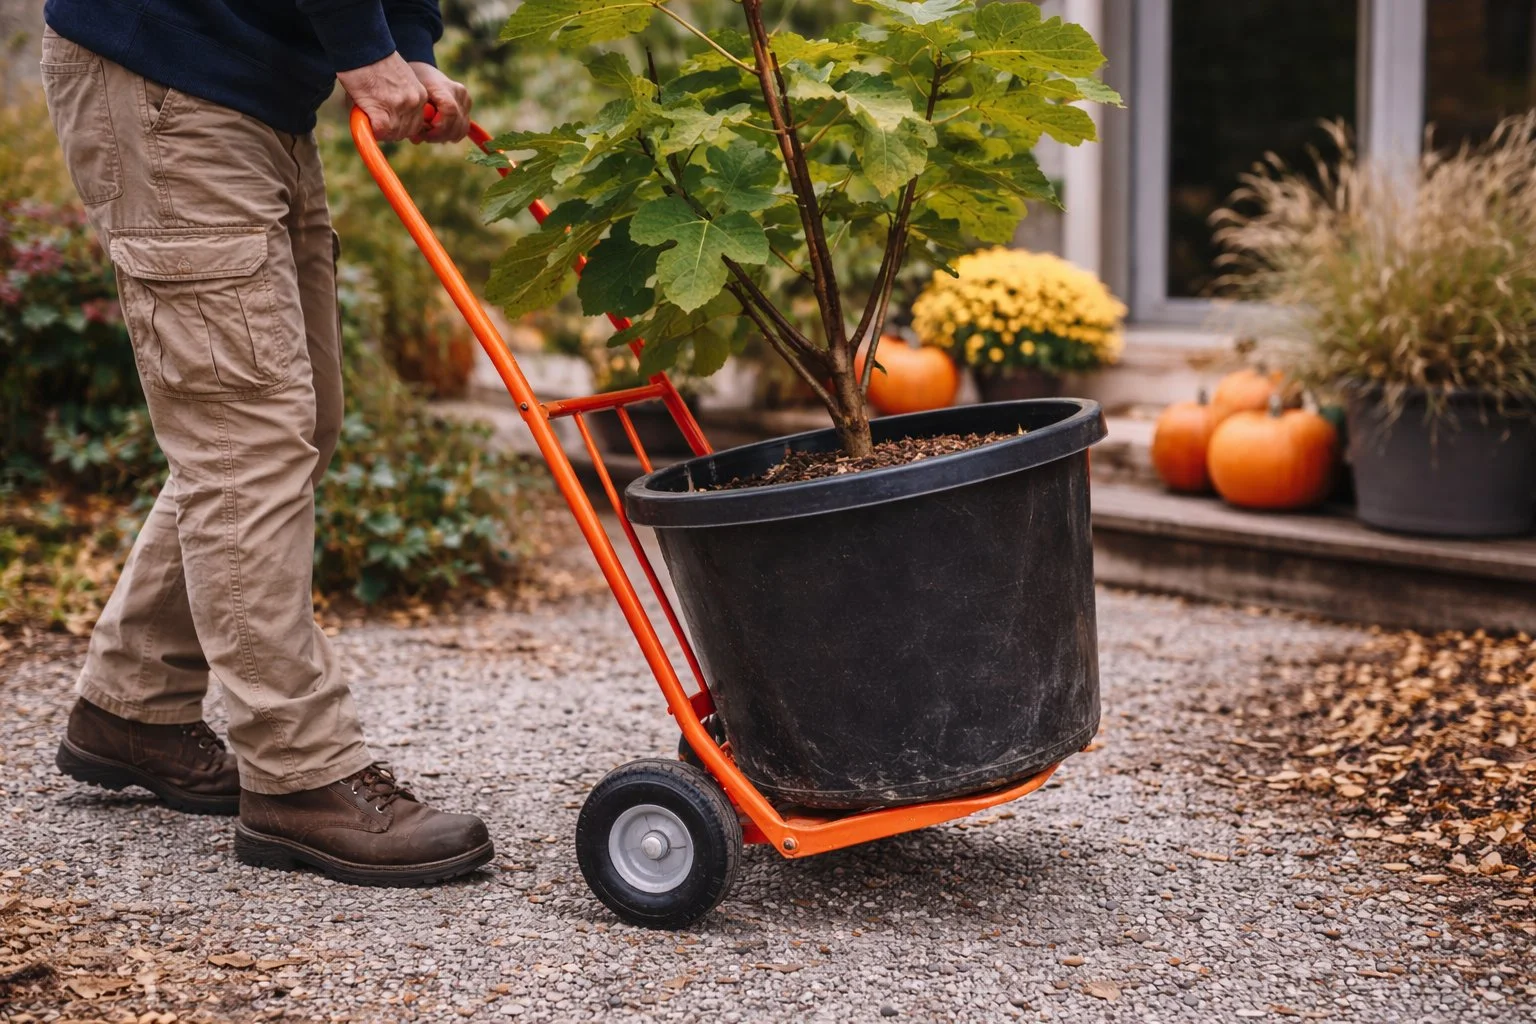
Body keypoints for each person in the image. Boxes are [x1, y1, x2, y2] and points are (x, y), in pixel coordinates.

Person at [40, 0, 493, 886]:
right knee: (246, 443)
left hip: (250, 94)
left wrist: (408, 47)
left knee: (292, 425)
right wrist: (366, 53)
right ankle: (299, 775)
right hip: (174, 76)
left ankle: (134, 705)